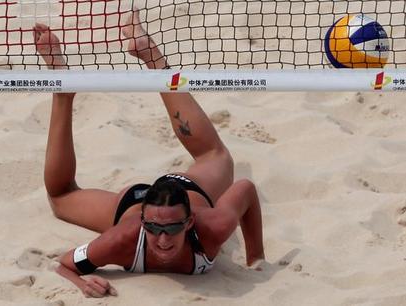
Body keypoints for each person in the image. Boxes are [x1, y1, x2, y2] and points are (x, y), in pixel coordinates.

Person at [33, 10, 264, 298]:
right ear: (143, 223)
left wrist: (257, 261)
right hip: (135, 203)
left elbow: (247, 190)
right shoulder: (121, 239)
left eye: (172, 228)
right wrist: (83, 283)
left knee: (216, 156)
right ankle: (63, 92)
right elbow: (64, 265)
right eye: (154, 228)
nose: (163, 240)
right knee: (215, 155)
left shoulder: (213, 228)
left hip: (186, 190)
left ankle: (151, 56)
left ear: (190, 221)